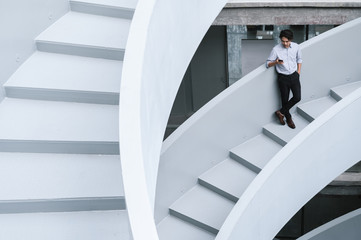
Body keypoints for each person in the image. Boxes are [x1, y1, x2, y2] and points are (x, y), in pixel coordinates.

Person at [266, 29, 302, 129]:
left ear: (291, 40)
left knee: (297, 97)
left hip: (294, 75)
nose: (285, 43)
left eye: (287, 41)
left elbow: (299, 59)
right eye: (283, 41)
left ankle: (280, 112)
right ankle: (288, 118)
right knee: (284, 100)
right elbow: (267, 64)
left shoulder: (296, 47)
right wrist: (276, 62)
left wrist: (298, 72)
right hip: (283, 78)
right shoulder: (276, 49)